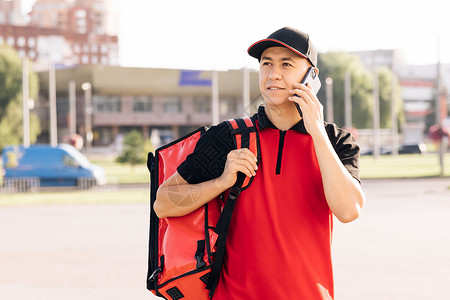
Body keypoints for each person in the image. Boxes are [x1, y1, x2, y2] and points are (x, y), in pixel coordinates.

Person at [154, 27, 366, 300]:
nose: (273, 73)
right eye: (266, 63)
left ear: (311, 76)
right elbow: (163, 203)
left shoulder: (337, 141)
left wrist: (315, 130)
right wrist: (221, 182)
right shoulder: (230, 136)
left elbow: (349, 211)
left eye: (286, 64)